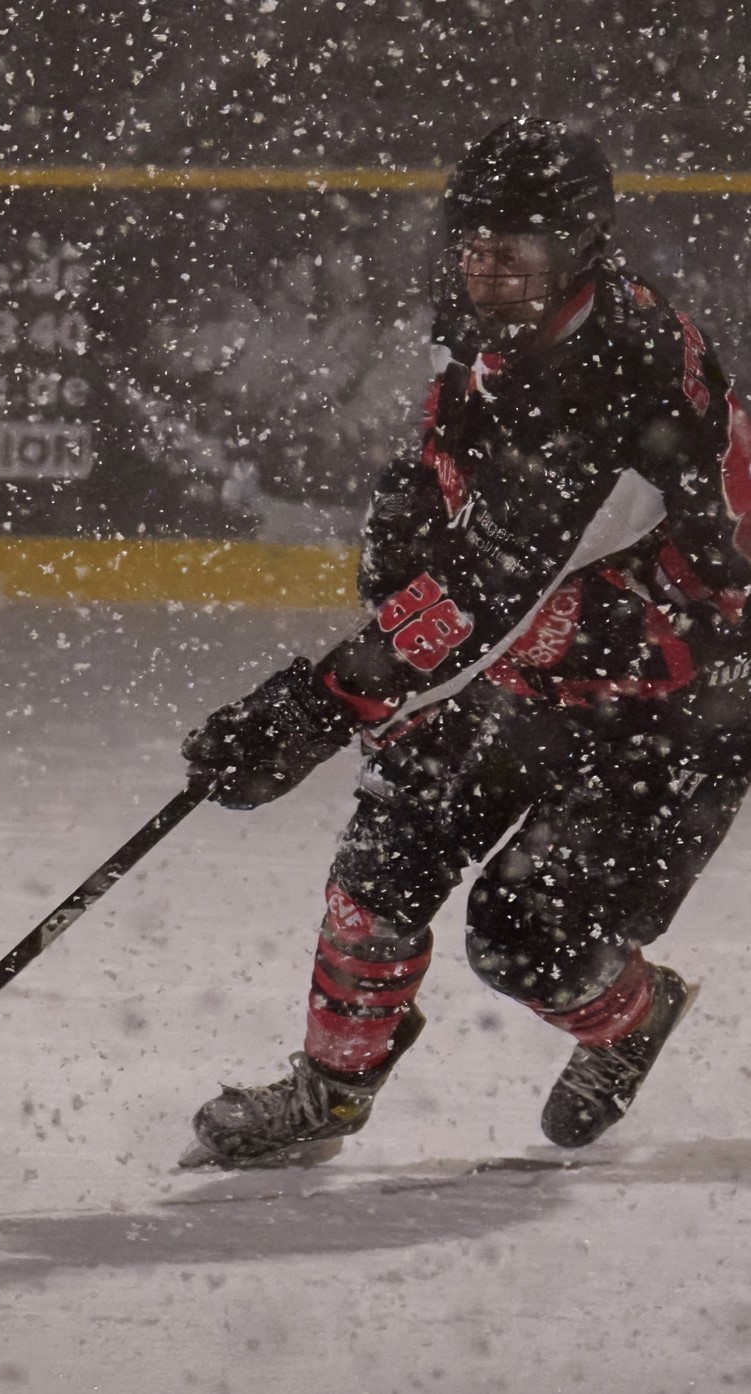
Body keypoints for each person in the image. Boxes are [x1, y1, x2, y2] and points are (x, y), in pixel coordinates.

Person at [179, 116, 751, 1169]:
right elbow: (457, 496)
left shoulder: (616, 377)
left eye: (512, 247)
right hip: (543, 661)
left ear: (579, 243)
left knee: (526, 933)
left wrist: (316, 704)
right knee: (380, 870)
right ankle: (330, 1091)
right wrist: (409, 517)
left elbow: (490, 589)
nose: (485, 267)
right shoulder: (511, 319)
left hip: (675, 702)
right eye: (473, 243)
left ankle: (631, 1018)